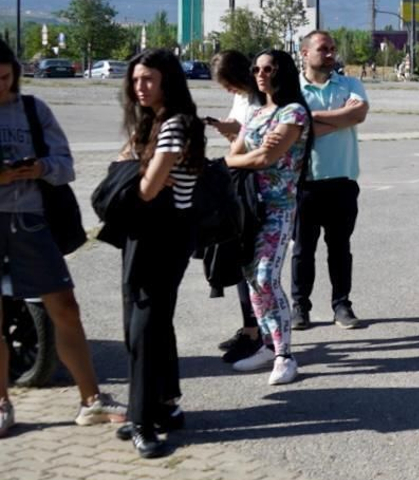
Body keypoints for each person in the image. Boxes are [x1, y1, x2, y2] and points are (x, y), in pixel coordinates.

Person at [0, 40, 125, 440]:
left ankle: (92, 401)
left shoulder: (33, 110)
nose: (1, 87)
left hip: (32, 223)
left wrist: (39, 168)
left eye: (5, 78)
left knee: (66, 309)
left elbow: (66, 165)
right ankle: (2, 404)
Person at [113, 51, 205, 456]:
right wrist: (140, 168)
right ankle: (165, 405)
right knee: (151, 323)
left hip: (163, 236)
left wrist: (138, 170)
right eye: (135, 80)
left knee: (143, 329)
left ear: (168, 80)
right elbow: (129, 168)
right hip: (148, 233)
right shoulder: (151, 123)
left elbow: (148, 189)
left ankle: (143, 420)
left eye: (148, 79)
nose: (140, 87)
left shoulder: (174, 125)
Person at [226, 50, 310, 386]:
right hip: (250, 207)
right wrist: (252, 153)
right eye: (256, 69)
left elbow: (266, 158)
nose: (260, 74)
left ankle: (285, 356)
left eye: (268, 69)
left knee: (265, 277)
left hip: (279, 207)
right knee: (251, 278)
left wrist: (254, 153)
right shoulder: (257, 112)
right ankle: (267, 344)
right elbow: (235, 153)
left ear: (282, 72)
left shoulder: (294, 113)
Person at [292, 31, 369, 328]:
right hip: (305, 182)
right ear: (304, 53)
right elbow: (294, 131)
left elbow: (358, 114)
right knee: (303, 250)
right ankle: (300, 306)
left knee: (339, 249)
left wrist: (311, 118)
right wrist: (341, 118)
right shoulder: (292, 89)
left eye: (332, 49)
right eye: (323, 49)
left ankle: (342, 305)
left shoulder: (349, 84)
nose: (330, 54)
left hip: (342, 181)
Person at [207, 50, 267, 365]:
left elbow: (256, 142)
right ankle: (251, 327)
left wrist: (225, 161)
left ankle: (257, 333)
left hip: (255, 185)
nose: (227, 89)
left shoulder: (262, 99)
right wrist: (222, 125)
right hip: (239, 177)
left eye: (228, 83)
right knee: (239, 260)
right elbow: (238, 129)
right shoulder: (243, 97)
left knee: (250, 262)